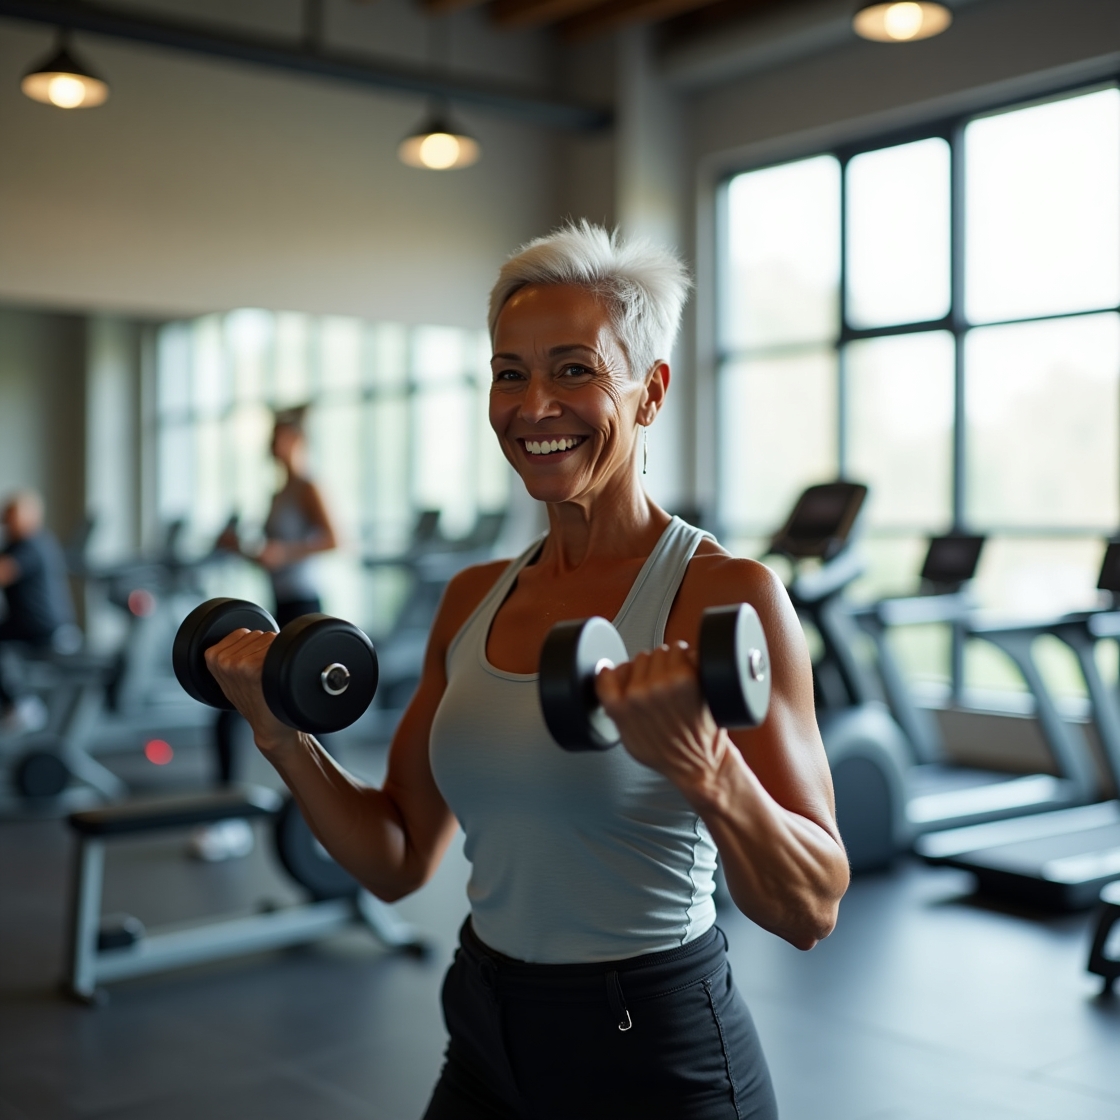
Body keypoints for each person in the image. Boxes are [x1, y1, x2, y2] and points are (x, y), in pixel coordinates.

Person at [204, 222, 849, 1118]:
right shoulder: (473, 596)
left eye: (575, 369)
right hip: (485, 1023)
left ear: (651, 391)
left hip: (653, 1046)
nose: (534, 404)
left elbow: (810, 908)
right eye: (511, 372)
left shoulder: (726, 596)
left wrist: (707, 768)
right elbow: (396, 859)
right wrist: (282, 736)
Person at [197, 407, 339, 861]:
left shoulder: (307, 486)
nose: (273, 445)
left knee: (312, 717)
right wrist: (240, 547)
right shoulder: (277, 493)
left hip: (304, 609)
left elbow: (334, 538)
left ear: (297, 441)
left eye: (281, 437)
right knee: (232, 699)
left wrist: (284, 551)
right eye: (271, 437)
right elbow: (267, 556)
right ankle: (228, 815)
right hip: (277, 609)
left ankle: (339, 814)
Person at [0, 490, 78, 735]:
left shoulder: (32, 544)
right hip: (27, 625)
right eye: (6, 515)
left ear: (33, 516)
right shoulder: (17, 544)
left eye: (12, 516)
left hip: (43, 629)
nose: (6, 521)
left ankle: (22, 704)